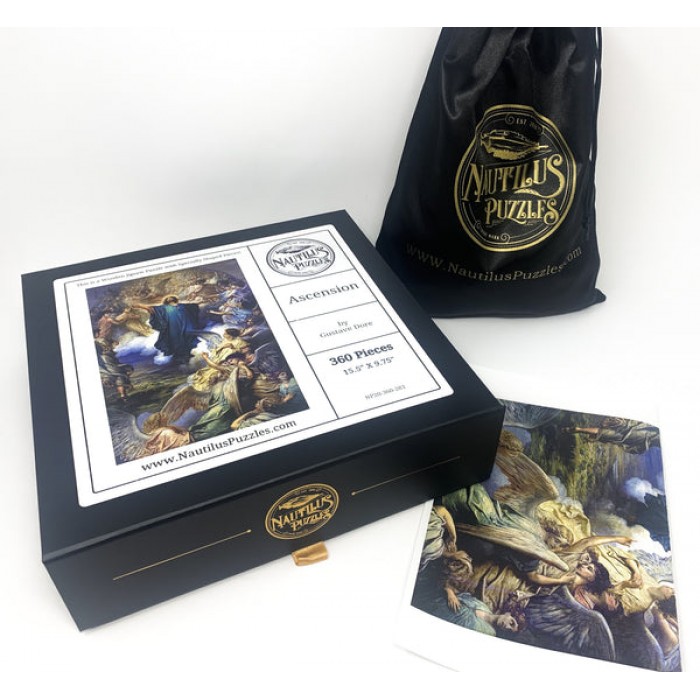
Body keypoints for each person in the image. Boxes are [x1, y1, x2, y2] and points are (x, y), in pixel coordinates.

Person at [133, 295, 200, 362]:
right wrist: (140, 306)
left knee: (179, 344)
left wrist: (140, 306)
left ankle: (183, 358)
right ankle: (182, 358)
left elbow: (151, 309)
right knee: (180, 344)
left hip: (177, 330)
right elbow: (195, 306)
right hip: (179, 330)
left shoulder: (174, 307)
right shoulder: (181, 307)